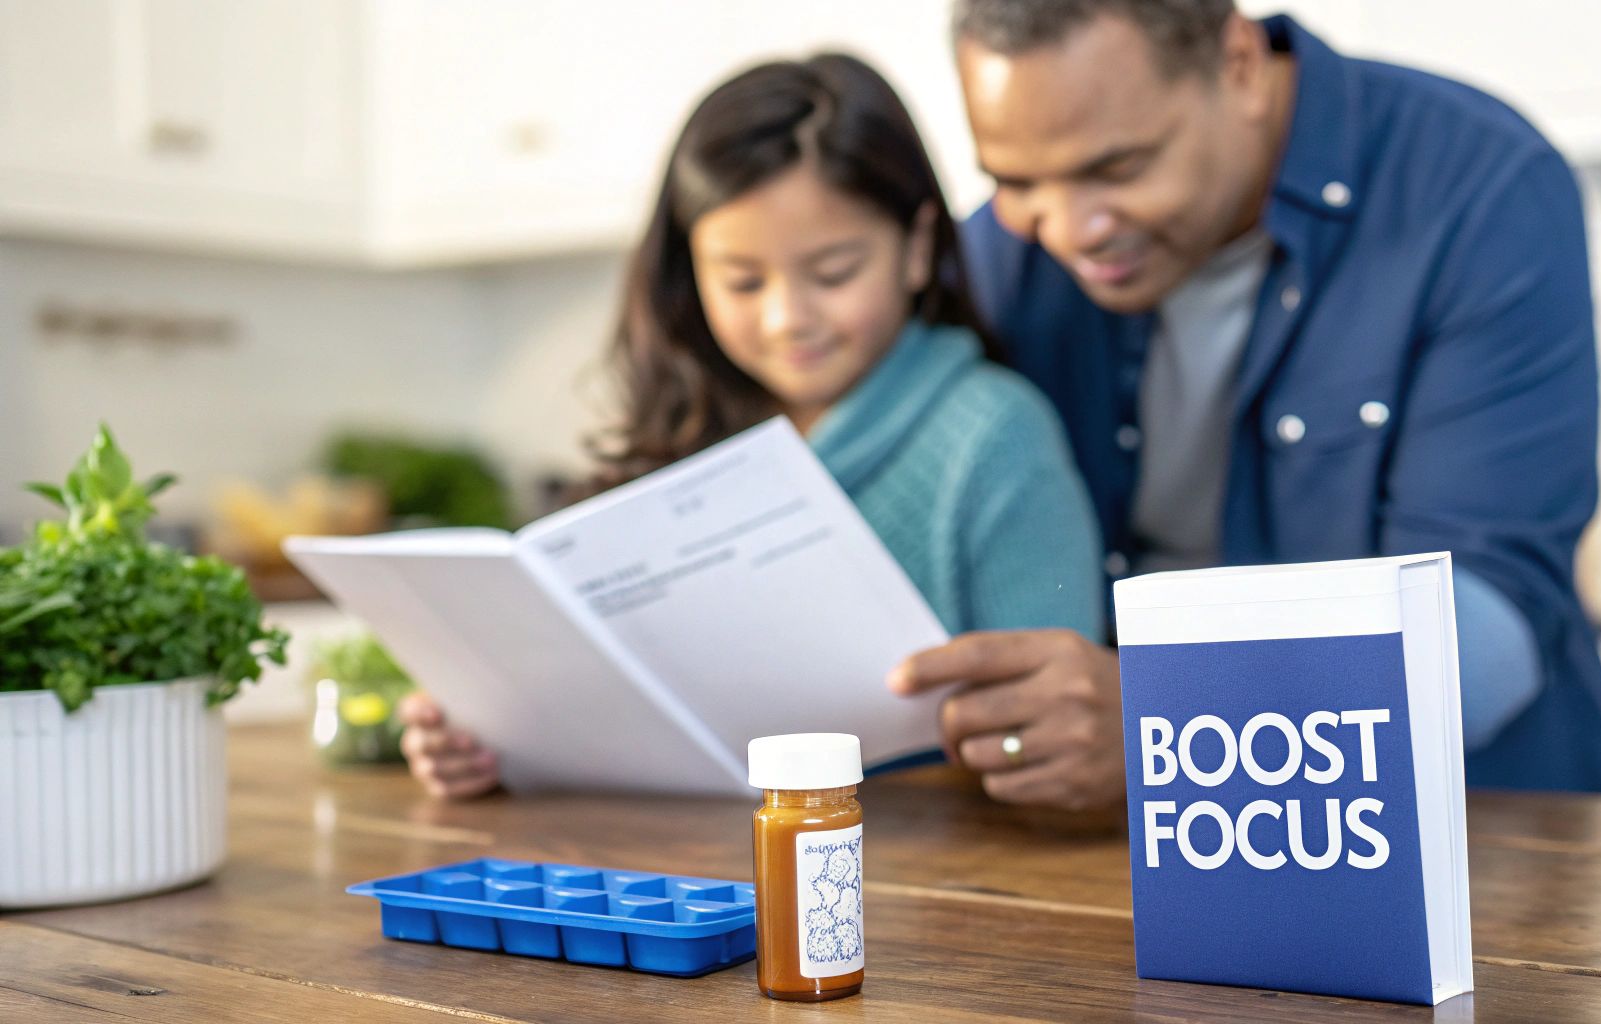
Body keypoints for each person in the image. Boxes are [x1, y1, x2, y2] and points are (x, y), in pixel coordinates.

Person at [886, 0, 1601, 808]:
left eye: (1119, 168)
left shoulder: (1478, 187)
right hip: (1144, 848)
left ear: (1238, 64)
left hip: (1478, 831)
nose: (1069, 229)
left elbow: (1489, 627)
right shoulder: (1005, 257)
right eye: (1016, 180)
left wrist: (1165, 721)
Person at [400, 53, 1103, 799]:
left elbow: (1062, 735)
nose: (786, 318)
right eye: (741, 280)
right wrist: (494, 739)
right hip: (680, 877)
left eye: (833, 274)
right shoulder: (680, 433)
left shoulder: (995, 438)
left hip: (916, 879)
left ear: (919, 247)